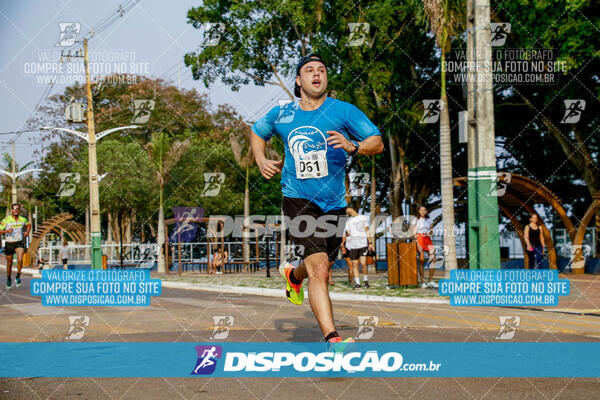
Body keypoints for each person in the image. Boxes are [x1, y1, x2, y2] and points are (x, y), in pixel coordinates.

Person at [251, 53, 384, 344]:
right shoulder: (282, 114)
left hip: (334, 203)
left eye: (321, 70)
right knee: (321, 270)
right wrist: (261, 159)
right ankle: (332, 339)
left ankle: (294, 277)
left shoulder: (344, 111)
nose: (316, 74)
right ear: (298, 81)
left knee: (318, 265)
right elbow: (257, 131)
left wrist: (354, 147)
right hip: (297, 198)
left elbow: (377, 141)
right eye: (309, 70)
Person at [0, 204, 31, 290]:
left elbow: (28, 225)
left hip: (19, 242)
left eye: (17, 209)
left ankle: (17, 277)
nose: (16, 210)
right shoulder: (6, 220)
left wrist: (27, 232)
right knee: (9, 264)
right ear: (11, 210)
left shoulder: (23, 219)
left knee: (20, 259)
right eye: (14, 209)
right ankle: (9, 279)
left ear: (19, 210)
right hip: (9, 243)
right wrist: (6, 231)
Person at [341, 207, 374, 289]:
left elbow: (367, 230)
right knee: (355, 264)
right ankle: (358, 283)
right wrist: (346, 235)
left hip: (363, 244)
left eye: (346, 209)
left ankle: (366, 281)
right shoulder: (348, 221)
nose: (346, 211)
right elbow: (348, 233)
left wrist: (370, 243)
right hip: (353, 246)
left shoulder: (362, 218)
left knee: (363, 263)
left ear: (351, 209)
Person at [415, 206, 439, 289]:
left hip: (428, 239)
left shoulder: (429, 220)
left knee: (433, 259)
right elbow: (414, 233)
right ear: (418, 211)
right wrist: (417, 242)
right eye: (421, 210)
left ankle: (430, 281)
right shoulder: (416, 220)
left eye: (424, 210)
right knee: (421, 260)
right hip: (419, 239)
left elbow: (431, 231)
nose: (423, 211)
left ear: (426, 211)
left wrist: (431, 232)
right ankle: (422, 282)